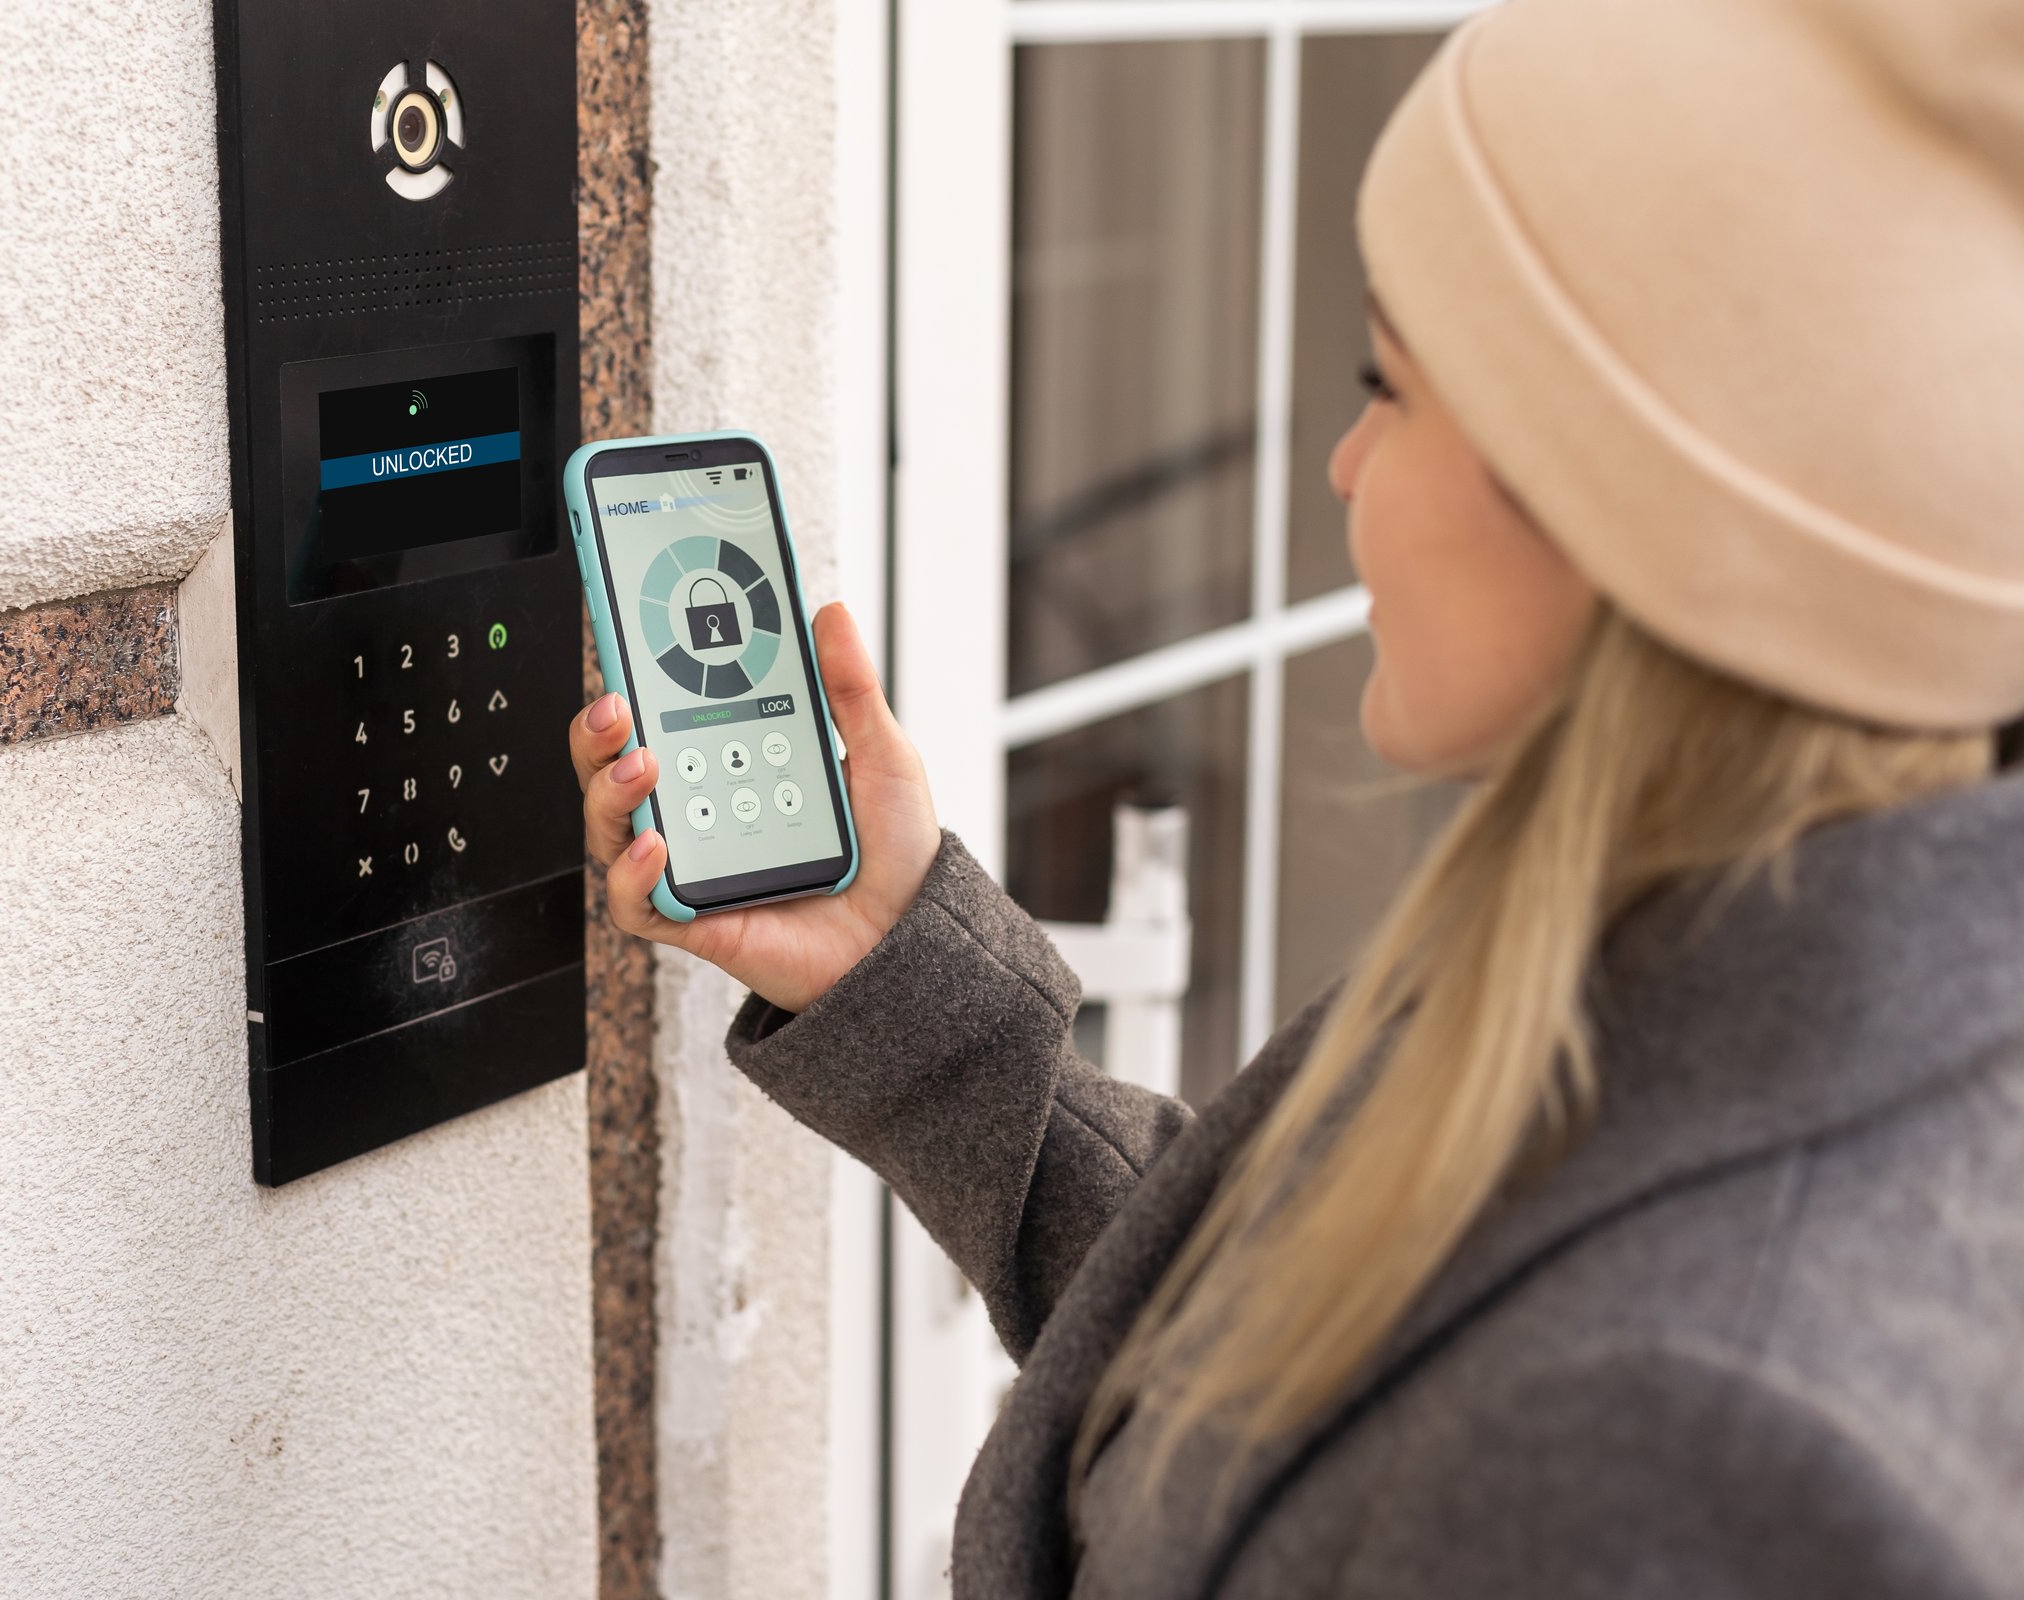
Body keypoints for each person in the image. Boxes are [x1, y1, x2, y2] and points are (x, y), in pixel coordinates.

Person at [571, 0, 2024, 1592]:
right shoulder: (1714, 951)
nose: (1339, 462)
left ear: (1617, 510)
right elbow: (1275, 1378)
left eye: (1383, 382)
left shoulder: (1695, 1440)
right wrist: (899, 966)